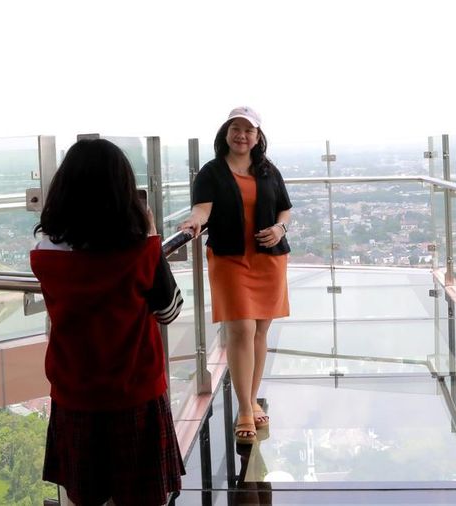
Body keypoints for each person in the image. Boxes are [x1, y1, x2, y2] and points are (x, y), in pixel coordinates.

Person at [30, 138, 185, 506]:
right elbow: (169, 310)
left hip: (74, 393)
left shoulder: (44, 253)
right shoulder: (139, 252)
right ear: (124, 192)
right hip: (135, 392)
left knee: (87, 498)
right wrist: (150, 235)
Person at [179, 106, 292, 444]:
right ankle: (244, 409)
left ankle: (252, 398)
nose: (242, 135)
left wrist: (279, 228)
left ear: (258, 137)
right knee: (240, 328)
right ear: (225, 133)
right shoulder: (211, 172)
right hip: (230, 259)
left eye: (249, 130)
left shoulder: (268, 170)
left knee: (259, 331)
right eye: (236, 129)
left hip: (268, 259)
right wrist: (193, 222)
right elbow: (202, 208)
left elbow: (285, 208)